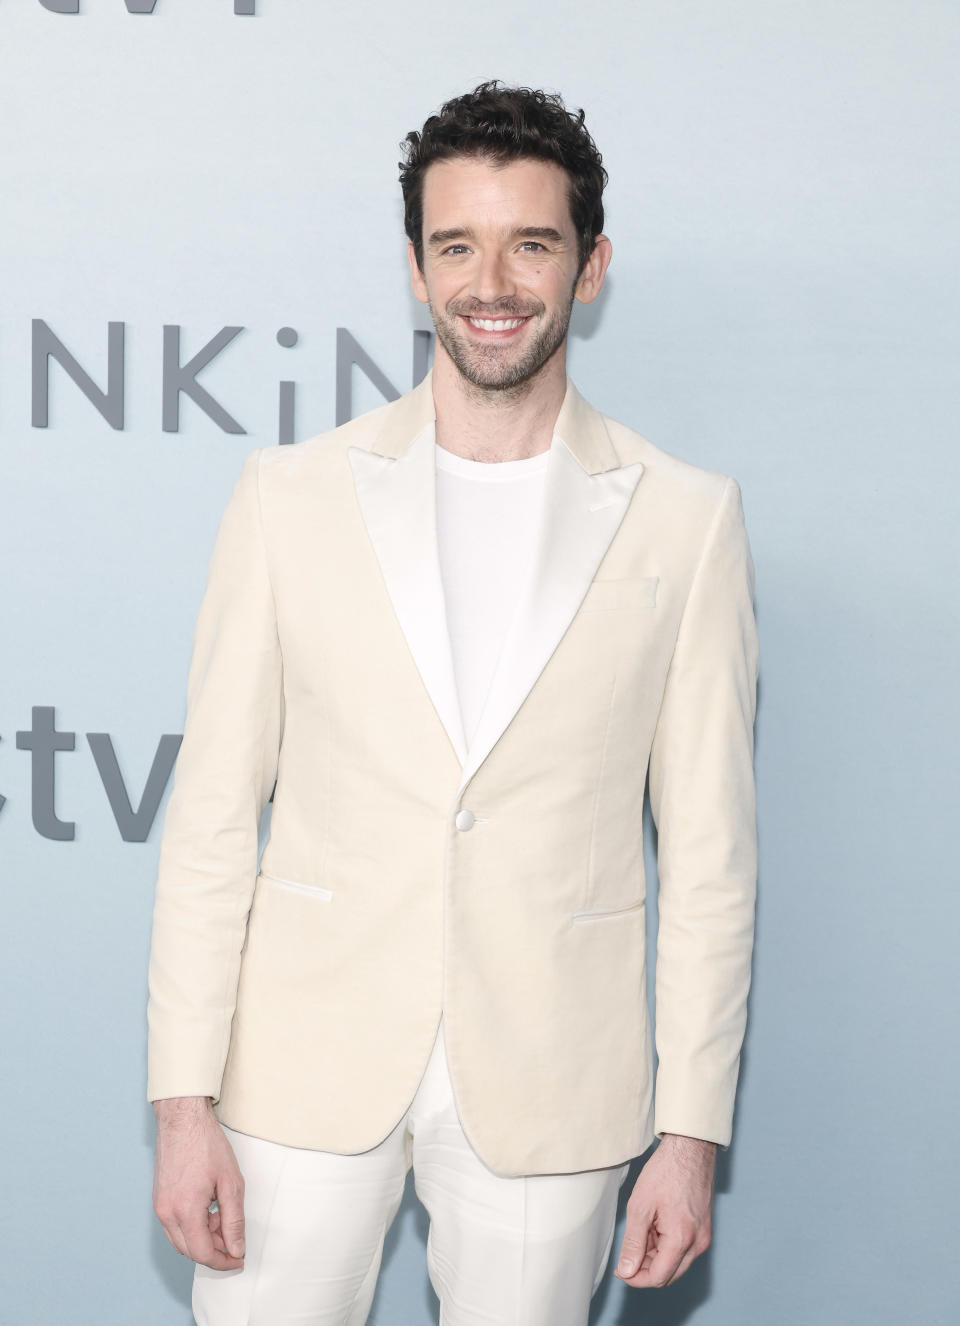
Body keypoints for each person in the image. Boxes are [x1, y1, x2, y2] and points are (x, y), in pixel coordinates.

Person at [146, 80, 760, 1326]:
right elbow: (210, 820)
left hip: (554, 1080)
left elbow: (711, 859)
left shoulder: (686, 519)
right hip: (298, 1074)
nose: (494, 281)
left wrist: (690, 1134)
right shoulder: (289, 498)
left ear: (589, 267)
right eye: (457, 245)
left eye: (532, 243)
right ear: (416, 271)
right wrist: (181, 1103)